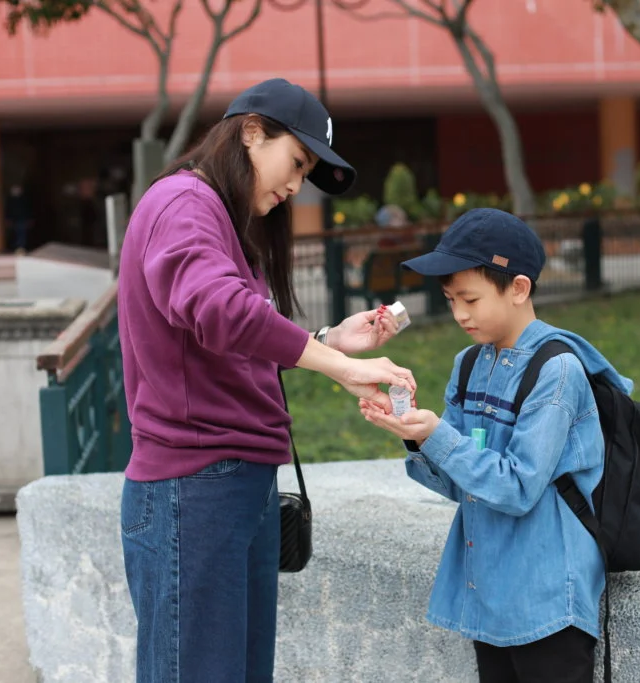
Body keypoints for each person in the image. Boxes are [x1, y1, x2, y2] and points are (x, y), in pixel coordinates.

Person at [116, 77, 416, 683]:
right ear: (251, 131)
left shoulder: (216, 216)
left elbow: (226, 339)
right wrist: (338, 366)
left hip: (230, 483)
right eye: (296, 163)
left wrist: (329, 341)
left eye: (305, 173)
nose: (294, 187)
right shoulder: (185, 205)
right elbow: (220, 309)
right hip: (194, 488)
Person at [360, 208, 633, 683]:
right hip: (489, 592)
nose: (460, 314)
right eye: (450, 300)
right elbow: (462, 483)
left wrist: (437, 435)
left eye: (470, 298)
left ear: (519, 289)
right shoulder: (468, 365)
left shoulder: (557, 370)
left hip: (547, 598)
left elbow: (518, 487)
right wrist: (412, 435)